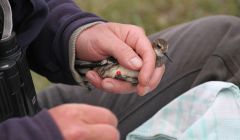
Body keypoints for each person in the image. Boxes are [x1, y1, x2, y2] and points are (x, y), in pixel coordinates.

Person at [1, 1, 240, 140]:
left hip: (21, 111)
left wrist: (71, 33)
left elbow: (16, 7)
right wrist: (36, 134)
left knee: (227, 41)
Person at [0, 0, 163, 140]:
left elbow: (20, 8)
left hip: (27, 110)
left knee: (189, 50)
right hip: (34, 128)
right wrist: (33, 134)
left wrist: (72, 32)